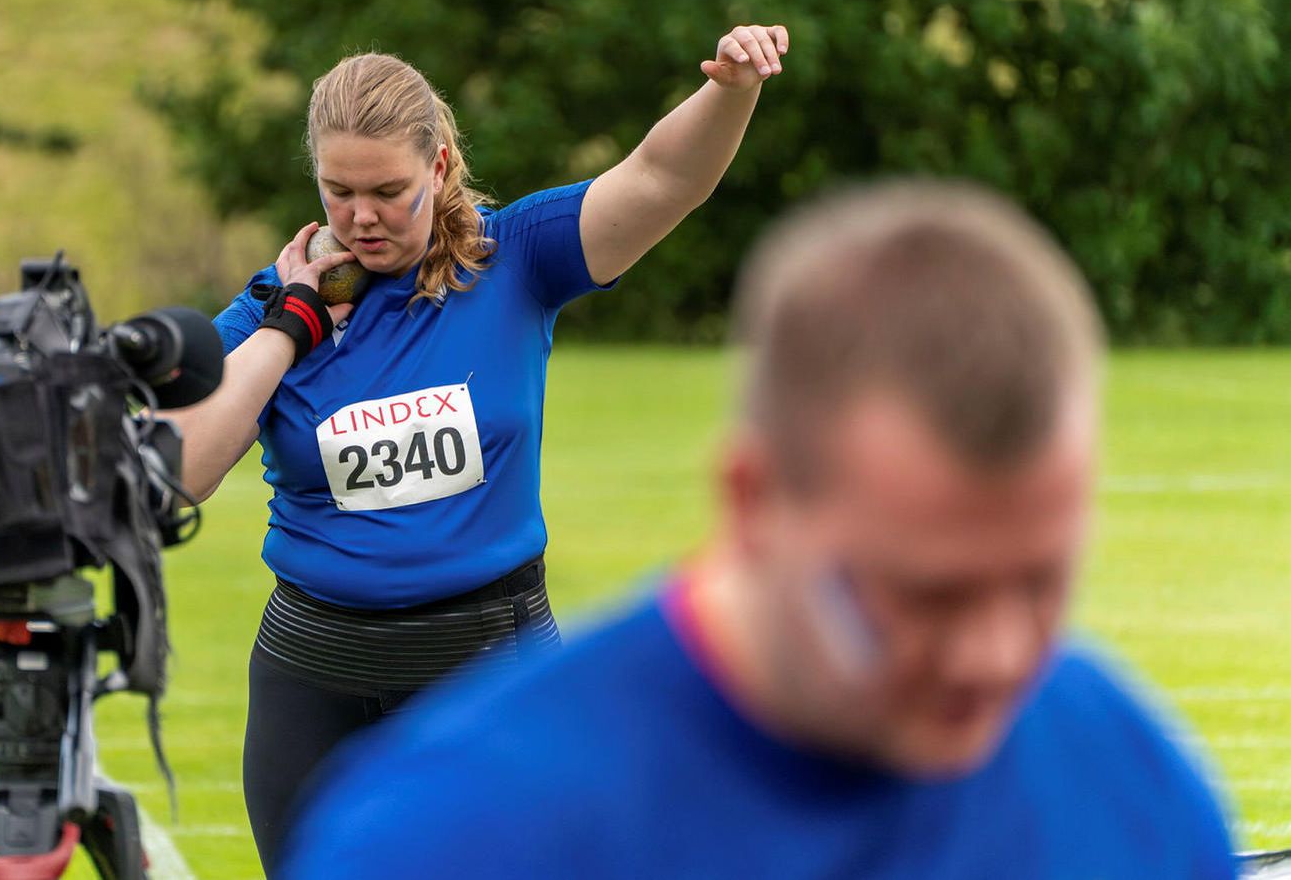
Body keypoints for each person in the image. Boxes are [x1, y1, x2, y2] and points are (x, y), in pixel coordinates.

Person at [279, 181, 1238, 879]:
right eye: (923, 593)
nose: (992, 656)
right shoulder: (455, 831)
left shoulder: (1128, 783)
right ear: (755, 502)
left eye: (1040, 580)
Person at [164, 23, 791, 871]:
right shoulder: (277, 309)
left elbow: (659, 177)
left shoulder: (517, 259)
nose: (361, 216)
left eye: (388, 189)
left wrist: (730, 90)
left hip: (493, 670)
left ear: (441, 165)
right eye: (338, 190)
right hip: (315, 684)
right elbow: (181, 471)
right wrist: (292, 325)